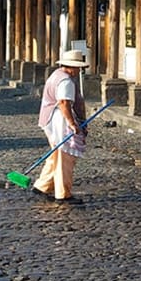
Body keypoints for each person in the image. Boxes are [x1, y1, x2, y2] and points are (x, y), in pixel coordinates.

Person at [33, 49, 90, 204]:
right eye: (78, 67)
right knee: (65, 158)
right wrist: (73, 124)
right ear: (71, 67)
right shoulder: (65, 81)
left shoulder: (56, 75)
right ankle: (63, 194)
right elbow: (64, 103)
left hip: (49, 119)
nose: (79, 71)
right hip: (58, 121)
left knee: (56, 155)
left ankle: (42, 186)